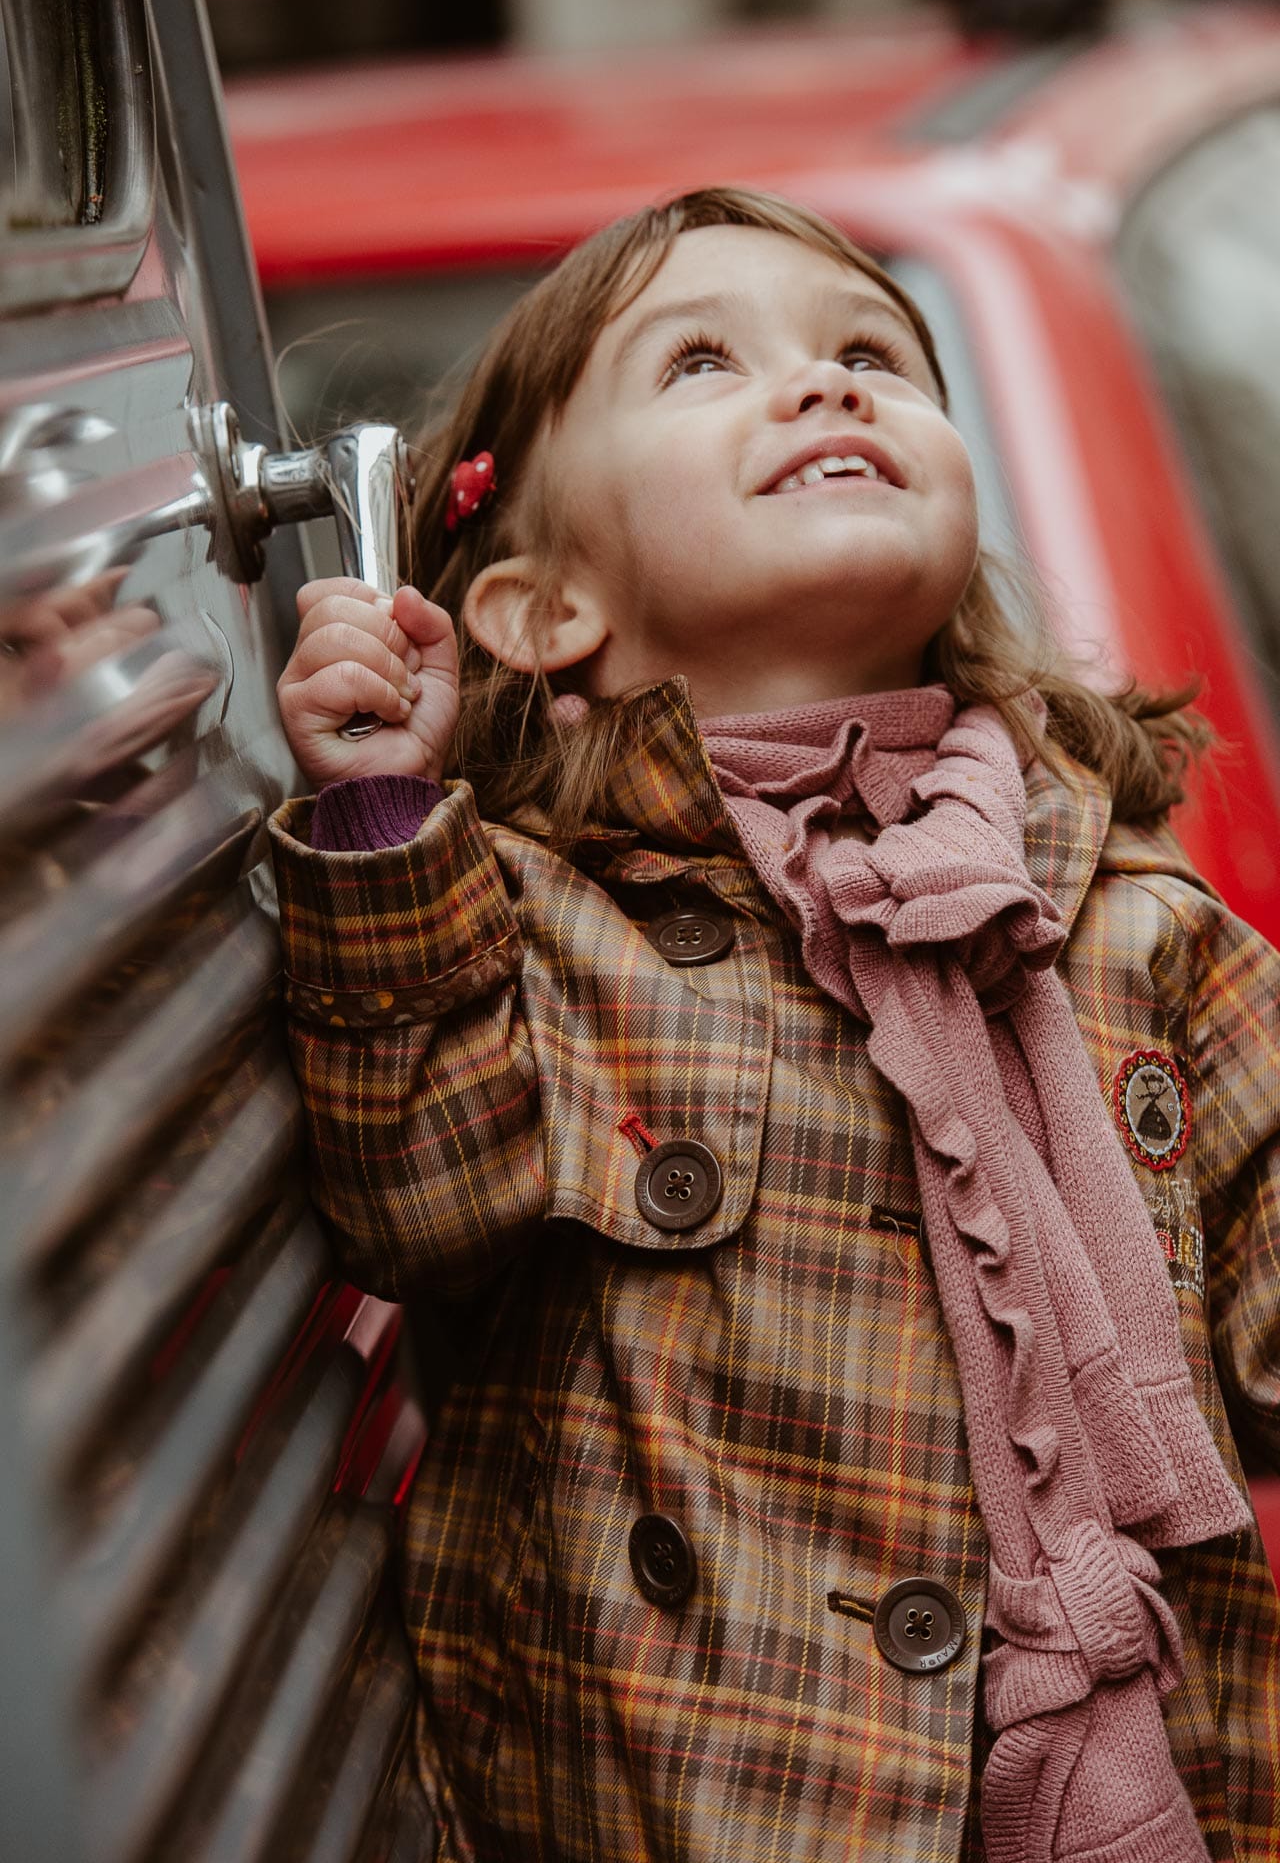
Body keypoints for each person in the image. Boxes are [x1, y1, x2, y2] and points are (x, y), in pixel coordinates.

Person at [269, 187, 1280, 1863]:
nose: (824, 388)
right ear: (538, 610)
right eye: (705, 363)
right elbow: (415, 1200)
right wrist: (383, 817)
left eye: (873, 352)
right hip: (696, 1808)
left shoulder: (1129, 925)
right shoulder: (520, 920)